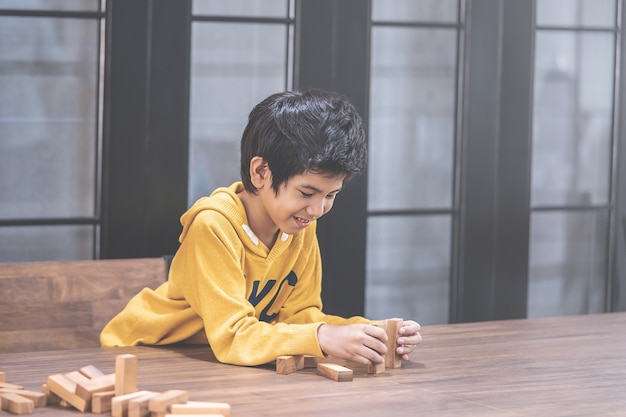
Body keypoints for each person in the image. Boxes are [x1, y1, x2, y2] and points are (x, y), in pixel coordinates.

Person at [100, 89, 422, 366]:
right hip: (143, 355)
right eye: (307, 193)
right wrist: (324, 337)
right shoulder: (213, 227)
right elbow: (234, 337)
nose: (317, 210)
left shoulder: (298, 224)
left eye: (331, 195)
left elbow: (299, 319)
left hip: (212, 360)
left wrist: (368, 333)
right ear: (260, 172)